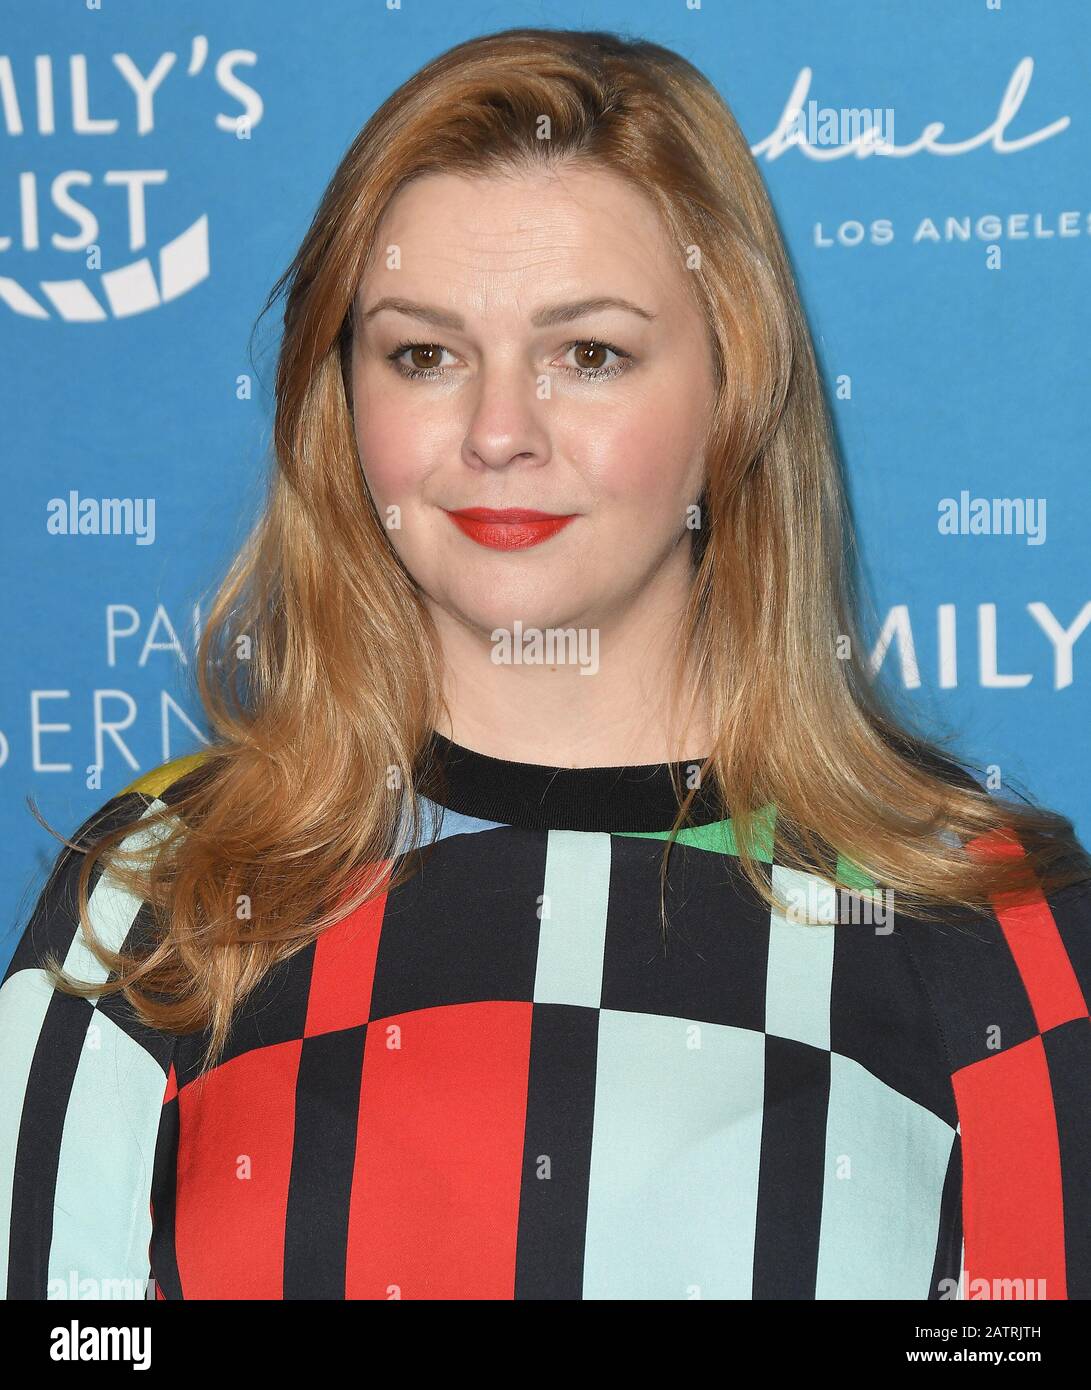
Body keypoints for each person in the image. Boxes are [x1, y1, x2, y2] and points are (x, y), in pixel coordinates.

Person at [2, 26, 1089, 1301]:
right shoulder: (156, 897)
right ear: (338, 404)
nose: (498, 432)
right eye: (423, 354)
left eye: (589, 355)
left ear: (733, 391)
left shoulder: (990, 934)